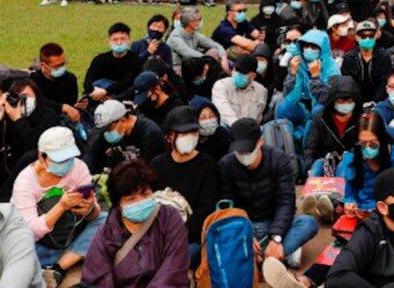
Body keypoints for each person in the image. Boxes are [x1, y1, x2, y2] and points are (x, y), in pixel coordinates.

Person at [217, 118, 318, 267]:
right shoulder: (226, 164)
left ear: (261, 142)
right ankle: (278, 256)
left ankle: (264, 256)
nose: (244, 155)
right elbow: (228, 206)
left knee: (308, 223)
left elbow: (286, 202)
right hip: (245, 224)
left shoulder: (278, 159)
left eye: (248, 149)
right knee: (221, 235)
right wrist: (243, 234)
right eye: (239, 151)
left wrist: (276, 238)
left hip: (273, 222)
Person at [10, 127, 105, 284]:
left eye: (70, 158)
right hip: (43, 243)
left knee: (105, 220)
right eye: (60, 160)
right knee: (20, 249)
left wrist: (89, 209)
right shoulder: (25, 182)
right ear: (42, 157)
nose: (67, 164)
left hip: (73, 231)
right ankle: (76, 255)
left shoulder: (79, 167)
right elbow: (30, 232)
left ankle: (58, 267)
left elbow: (94, 214)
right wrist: (61, 206)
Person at [81, 159, 190, 287]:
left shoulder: (169, 218)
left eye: (145, 194)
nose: (140, 202)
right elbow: (97, 276)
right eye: (131, 199)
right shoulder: (107, 231)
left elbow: (173, 268)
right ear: (118, 205)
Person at [149, 106, 219, 261]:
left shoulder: (208, 166)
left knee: (183, 256)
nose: (190, 137)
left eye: (193, 132)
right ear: (169, 136)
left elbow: (205, 210)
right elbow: (148, 199)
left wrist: (175, 235)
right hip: (156, 230)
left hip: (189, 236)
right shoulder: (157, 164)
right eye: (183, 133)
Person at [0, 78, 59, 200]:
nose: (21, 102)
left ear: (37, 97)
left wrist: (18, 120)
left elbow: (35, 144)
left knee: (31, 154)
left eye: (26, 97)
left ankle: (0, 198)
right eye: (17, 98)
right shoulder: (8, 115)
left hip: (33, 167)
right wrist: (0, 115)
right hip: (9, 165)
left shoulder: (48, 115)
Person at [337, 112, 394, 217]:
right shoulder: (352, 159)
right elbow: (350, 193)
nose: (367, 148)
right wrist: (350, 203)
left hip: (391, 213)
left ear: (382, 140)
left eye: (373, 143)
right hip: (361, 212)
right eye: (362, 143)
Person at [84, 99, 165, 174]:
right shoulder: (114, 132)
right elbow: (92, 152)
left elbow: (147, 170)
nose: (106, 133)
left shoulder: (150, 134)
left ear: (122, 120)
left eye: (108, 129)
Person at [304, 75, 362, 177]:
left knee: (344, 167)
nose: (345, 105)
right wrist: (309, 167)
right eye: (340, 101)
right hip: (326, 164)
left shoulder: (362, 119)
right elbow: (311, 147)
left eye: (349, 101)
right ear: (333, 101)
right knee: (316, 167)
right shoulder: (321, 118)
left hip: (352, 166)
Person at [83, 22, 143, 101]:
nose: (119, 42)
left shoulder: (135, 60)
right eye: (115, 39)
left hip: (121, 99)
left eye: (122, 39)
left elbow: (128, 82)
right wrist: (95, 92)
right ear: (109, 41)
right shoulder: (99, 59)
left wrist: (105, 91)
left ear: (129, 40)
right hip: (96, 96)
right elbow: (87, 81)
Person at [340, 20, 391, 105]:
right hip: (355, 102)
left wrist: (375, 101)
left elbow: (384, 82)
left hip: (380, 102)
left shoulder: (384, 56)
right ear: (357, 37)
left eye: (371, 36)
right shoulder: (349, 58)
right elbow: (348, 84)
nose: (367, 38)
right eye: (363, 36)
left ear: (375, 37)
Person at [210, 54, 268, 127]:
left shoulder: (261, 91)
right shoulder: (221, 85)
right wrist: (240, 129)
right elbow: (224, 113)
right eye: (236, 70)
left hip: (248, 133)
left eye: (242, 72)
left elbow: (257, 117)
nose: (237, 74)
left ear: (253, 76)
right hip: (226, 130)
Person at [27, 43, 80, 124]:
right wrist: (62, 107)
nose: (61, 68)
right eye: (57, 66)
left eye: (63, 64)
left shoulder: (70, 79)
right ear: (43, 65)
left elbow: (71, 104)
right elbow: (37, 101)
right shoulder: (32, 81)